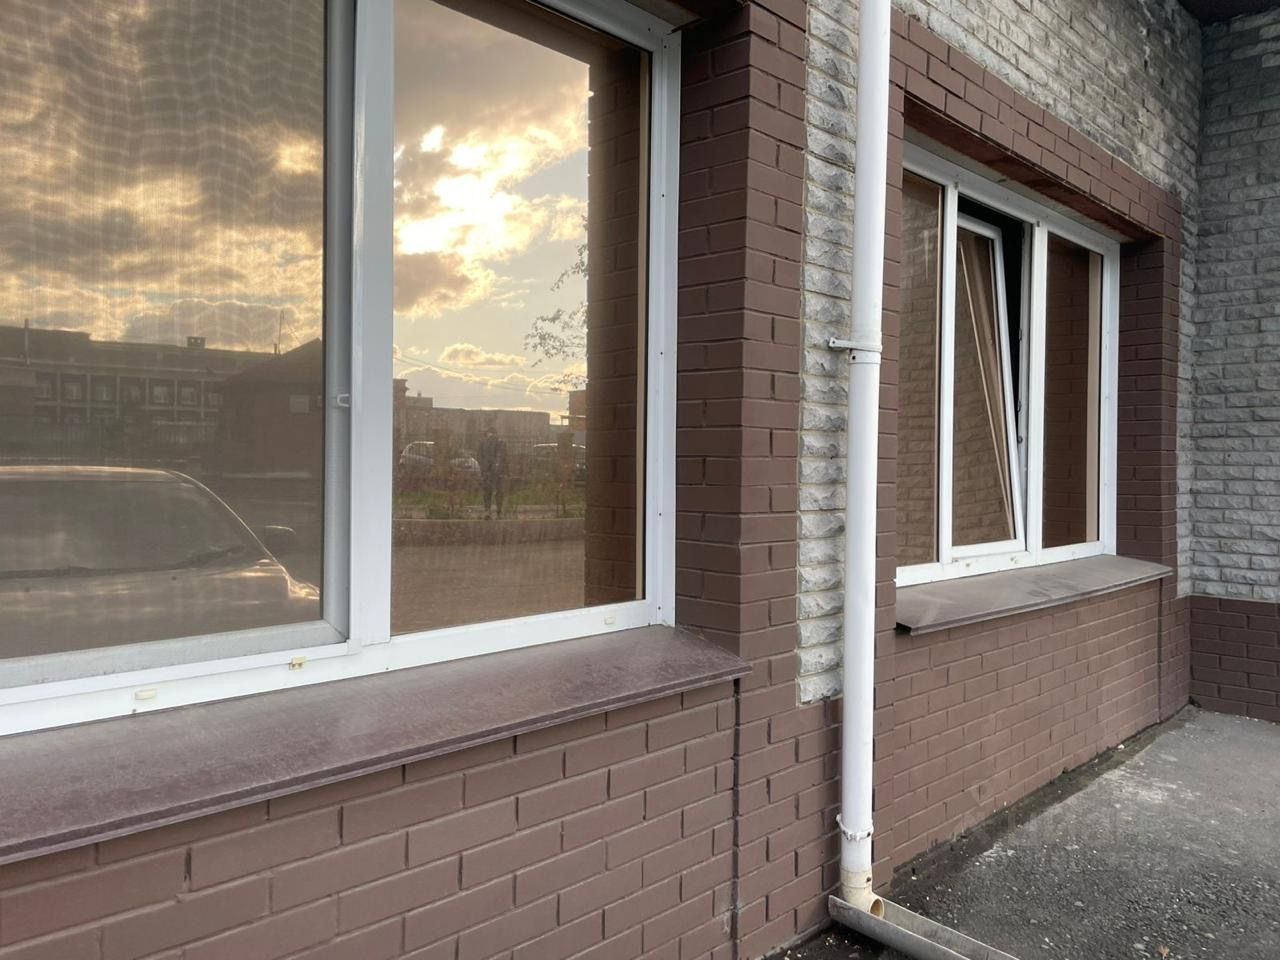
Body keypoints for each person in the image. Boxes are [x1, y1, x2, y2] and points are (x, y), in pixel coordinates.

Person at [477, 427, 507, 519]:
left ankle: (487, 511)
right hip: (499, 472)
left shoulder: (482, 442)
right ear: (496, 433)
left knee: (487, 491)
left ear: (488, 433)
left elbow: (479, 457)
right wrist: (501, 469)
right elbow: (503, 457)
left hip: (487, 471)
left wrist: (484, 469)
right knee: (499, 491)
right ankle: (499, 512)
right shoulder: (501, 442)